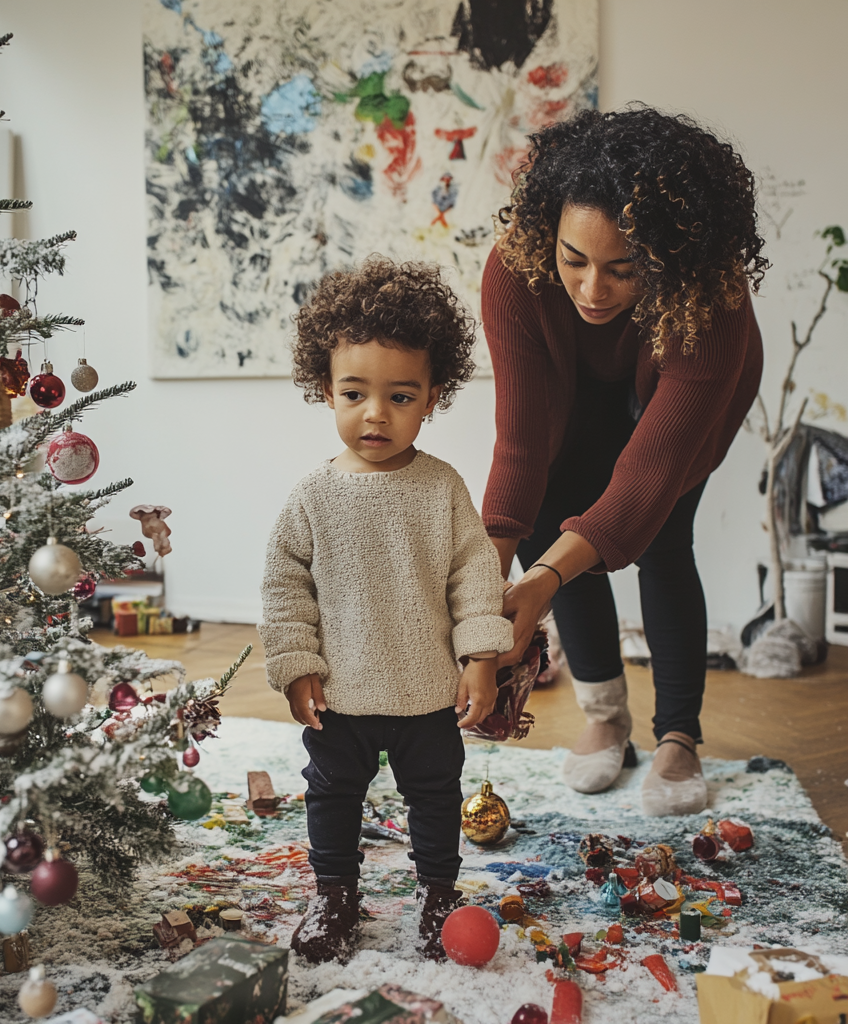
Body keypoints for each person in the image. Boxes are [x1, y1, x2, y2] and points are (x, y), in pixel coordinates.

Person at [481, 106, 766, 817]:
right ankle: (606, 716)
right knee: (552, 524)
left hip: (682, 403)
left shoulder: (712, 296)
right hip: (571, 395)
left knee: (664, 539)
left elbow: (646, 475)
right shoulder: (514, 268)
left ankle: (678, 737)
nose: (591, 290)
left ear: (669, 259)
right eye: (573, 260)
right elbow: (520, 441)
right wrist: (481, 595)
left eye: (623, 269)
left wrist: (541, 581)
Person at [259, 256, 514, 962]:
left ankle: (438, 893)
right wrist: (295, 667)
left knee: (436, 794)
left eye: (402, 396)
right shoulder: (313, 496)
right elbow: (285, 587)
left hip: (428, 693)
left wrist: (481, 660)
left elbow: (475, 577)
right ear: (325, 389)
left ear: (432, 397)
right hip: (341, 694)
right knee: (331, 793)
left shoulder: (442, 489)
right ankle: (335, 892)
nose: (377, 414)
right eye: (355, 393)